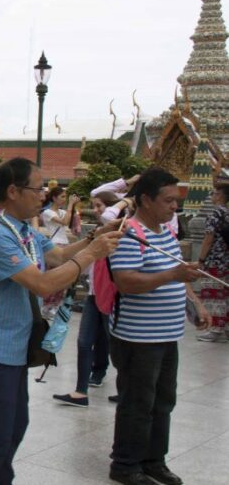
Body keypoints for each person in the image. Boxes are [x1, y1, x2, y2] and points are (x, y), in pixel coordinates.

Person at [0, 157, 122, 484]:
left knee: (14, 428)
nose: (43, 195)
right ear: (13, 191)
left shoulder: (22, 230)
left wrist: (93, 239)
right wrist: (93, 255)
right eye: (37, 188)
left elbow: (59, 256)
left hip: (15, 346)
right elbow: (43, 282)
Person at [108, 167, 210, 485]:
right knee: (138, 402)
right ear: (145, 200)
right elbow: (125, 281)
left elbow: (178, 273)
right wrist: (173, 276)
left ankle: (154, 460)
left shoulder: (165, 231)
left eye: (175, 201)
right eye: (168, 201)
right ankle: (125, 464)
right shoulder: (130, 233)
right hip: (138, 337)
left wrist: (195, 303)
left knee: (163, 400)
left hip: (166, 334)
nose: (174, 207)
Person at [52, 190, 122, 408]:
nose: (97, 210)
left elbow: (111, 215)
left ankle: (126, 388)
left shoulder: (119, 235)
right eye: (95, 205)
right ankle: (80, 391)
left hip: (111, 296)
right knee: (84, 342)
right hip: (93, 295)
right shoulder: (100, 236)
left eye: (100, 206)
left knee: (114, 344)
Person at [196, 183, 229, 342]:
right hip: (227, 260)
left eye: (214, 193)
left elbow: (208, 238)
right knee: (226, 294)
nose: (212, 196)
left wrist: (201, 259)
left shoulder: (215, 214)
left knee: (214, 293)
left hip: (215, 260)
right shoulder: (228, 213)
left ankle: (216, 328)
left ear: (220, 196)